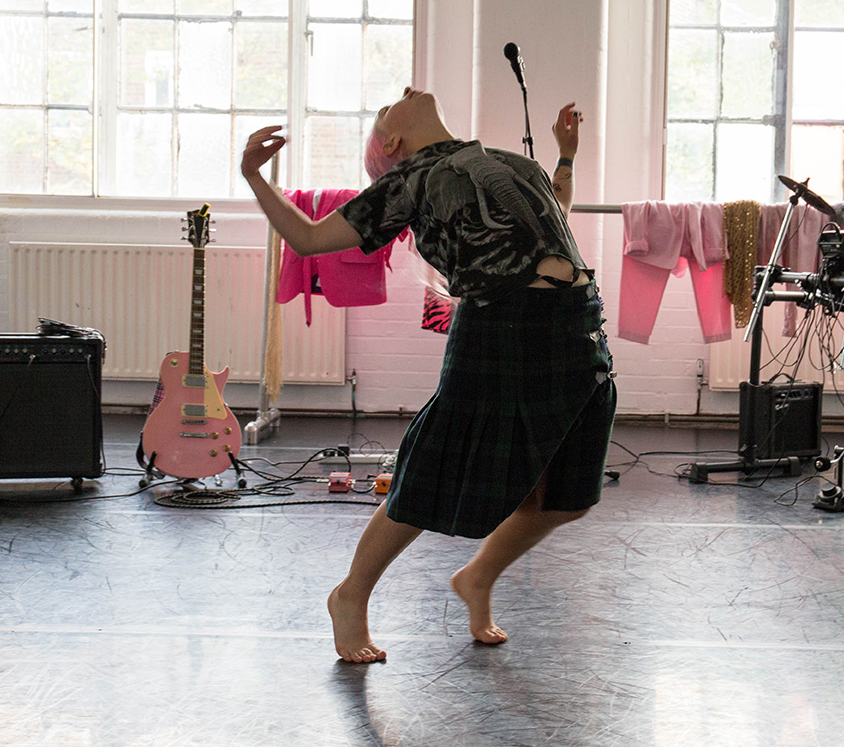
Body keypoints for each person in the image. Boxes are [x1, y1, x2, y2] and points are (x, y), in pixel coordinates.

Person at [241, 88, 616, 663]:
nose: (406, 93)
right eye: (390, 105)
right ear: (393, 140)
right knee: (431, 473)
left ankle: (479, 577)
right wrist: (254, 176)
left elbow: (554, 210)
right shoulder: (408, 183)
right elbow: (311, 238)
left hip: (575, 320)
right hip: (501, 325)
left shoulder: (508, 162)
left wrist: (567, 153)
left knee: (569, 494)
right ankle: (350, 595)